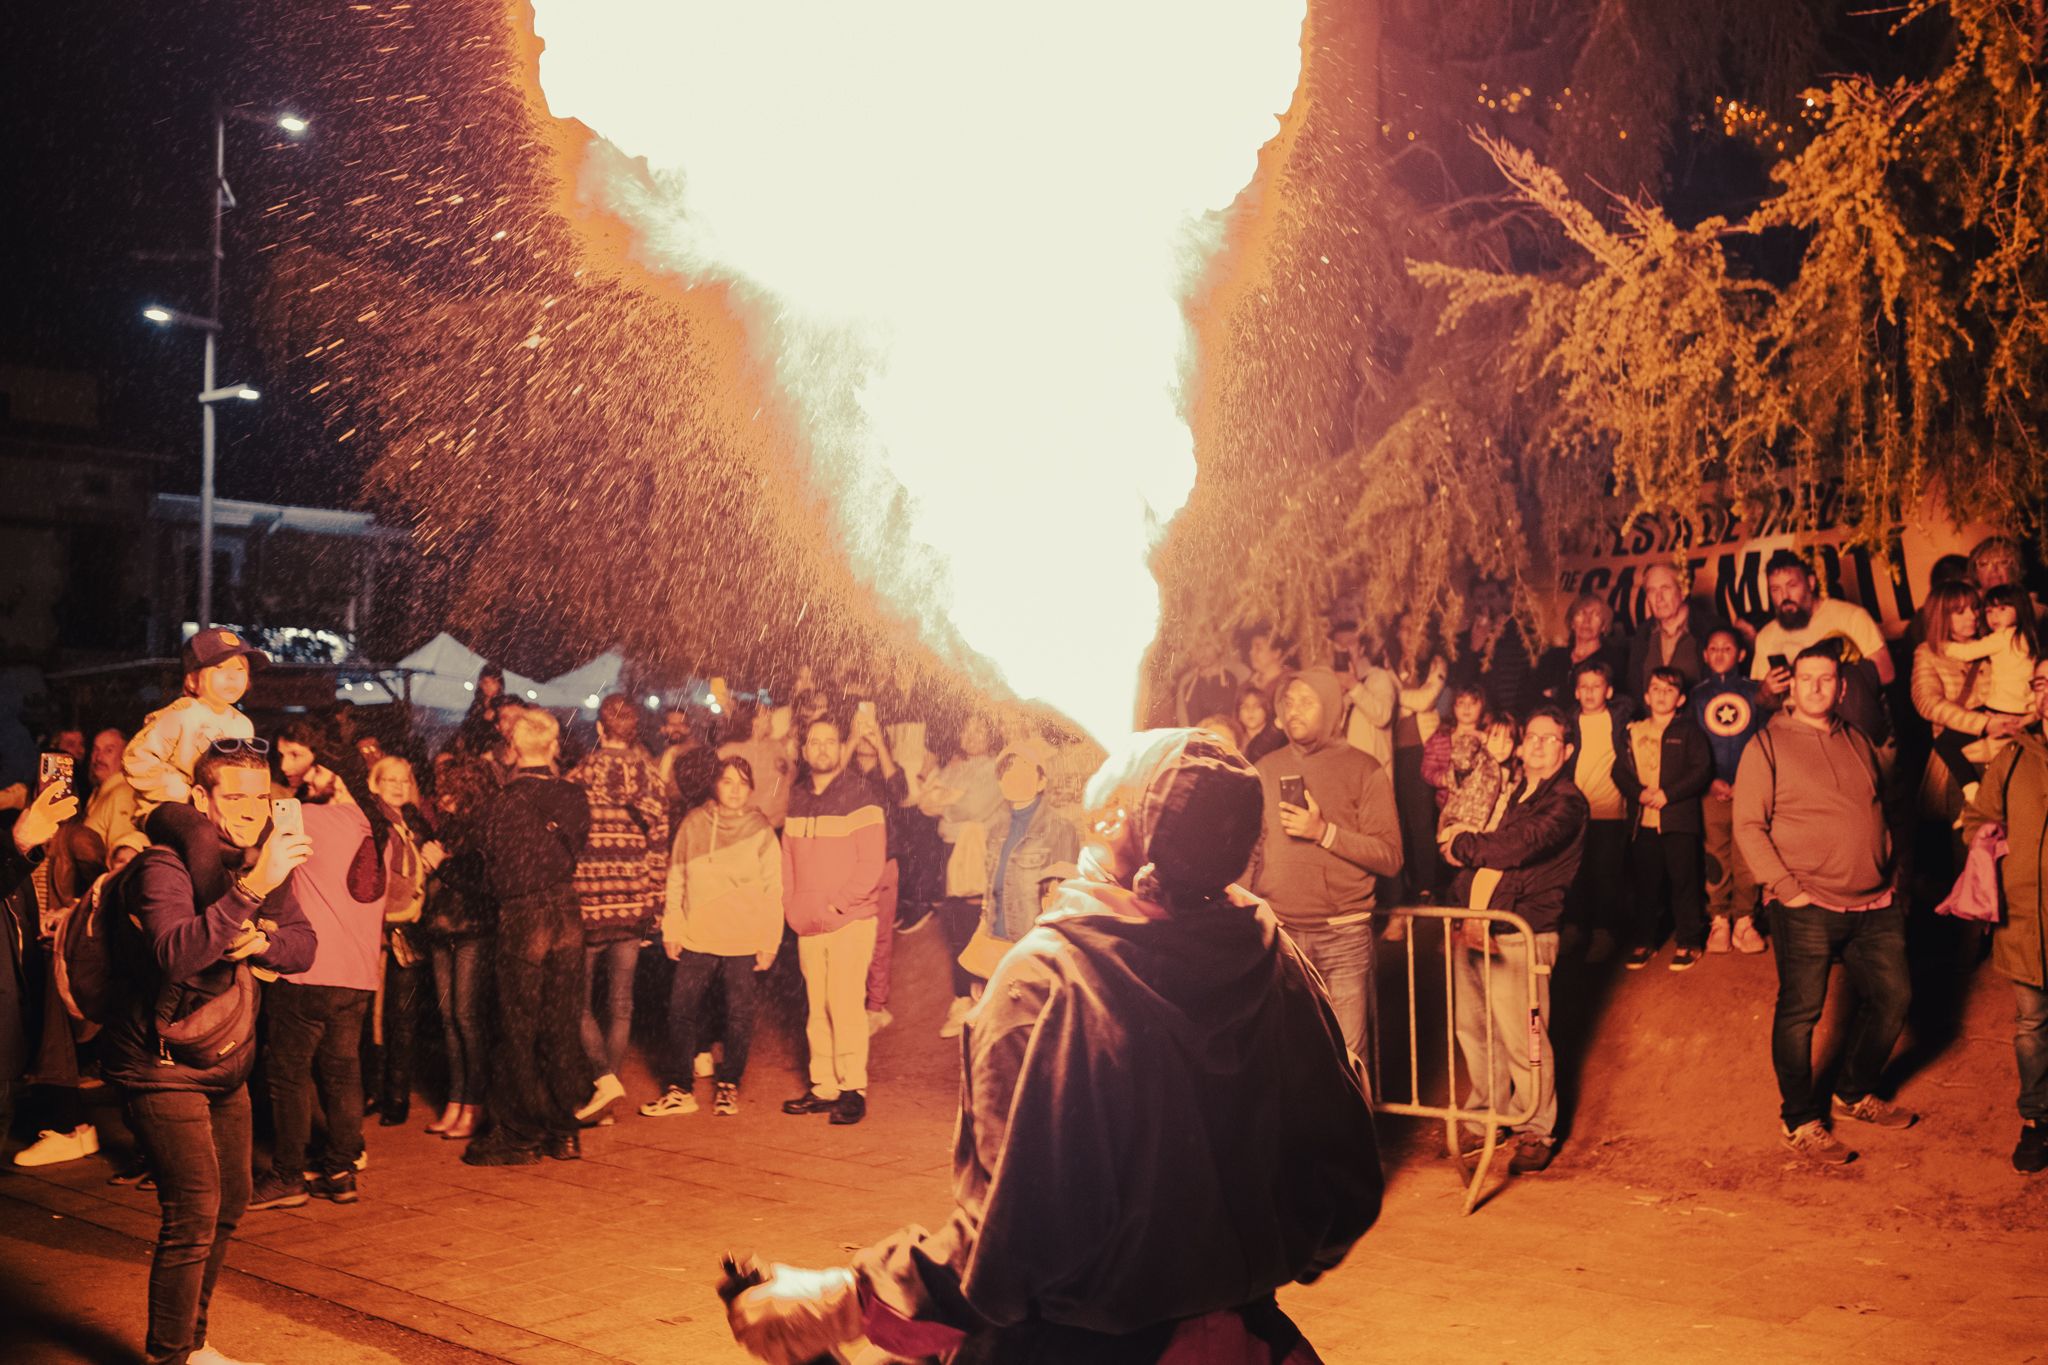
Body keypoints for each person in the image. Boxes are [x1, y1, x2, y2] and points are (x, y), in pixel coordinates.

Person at [726, 729, 1382, 1365]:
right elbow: (1345, 1189)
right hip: (1248, 1339)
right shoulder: (1270, 956)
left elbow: (1011, 1247)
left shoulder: (1047, 979)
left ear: (1113, 821)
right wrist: (1222, 1264)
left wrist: (845, 1300)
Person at [102, 741, 315, 1365]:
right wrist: (251, 892)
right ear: (200, 798)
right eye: (234, 796)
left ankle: (191, 1344)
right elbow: (176, 952)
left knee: (232, 1202)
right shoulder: (162, 866)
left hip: (225, 1057)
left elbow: (304, 946)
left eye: (260, 795)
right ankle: (169, 1354)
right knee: (193, 1210)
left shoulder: (257, 860)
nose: (251, 810)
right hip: (158, 1062)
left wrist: (260, 943)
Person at [1734, 644, 1915, 1166]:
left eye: (1826, 678)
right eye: (1806, 677)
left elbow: (1883, 807)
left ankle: (1855, 1091)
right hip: (1807, 902)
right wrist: (1786, 888)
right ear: (1791, 687)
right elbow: (1748, 825)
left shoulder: (1856, 737)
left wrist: (1891, 873)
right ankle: (1799, 1119)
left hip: (1874, 902)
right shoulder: (1766, 745)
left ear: (1841, 687)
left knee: (1894, 998)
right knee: (1801, 1013)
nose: (1815, 686)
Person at [1440, 705, 1589, 1173]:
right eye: (1534, 737)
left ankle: (1536, 1127)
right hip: (1478, 925)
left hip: (1522, 932)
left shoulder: (1566, 801)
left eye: (1552, 739)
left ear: (1566, 751)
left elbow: (1514, 848)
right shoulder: (1508, 793)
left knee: (1524, 1036)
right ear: (1521, 746)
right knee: (1477, 1029)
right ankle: (1489, 1115)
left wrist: (1459, 844)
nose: (1540, 745)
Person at [249, 754, 384, 1211]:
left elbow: (255, 840)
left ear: (337, 775)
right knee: (343, 1071)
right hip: (359, 973)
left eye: (314, 769)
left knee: (288, 1074)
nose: (301, 776)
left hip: (308, 968)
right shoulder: (374, 821)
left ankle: (288, 1174)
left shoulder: (304, 817)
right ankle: (341, 1171)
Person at [1251, 669, 1404, 1062]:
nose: (1294, 709)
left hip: (1343, 937)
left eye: (1307, 701)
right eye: (1289, 701)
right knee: (1288, 1057)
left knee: (1348, 1059)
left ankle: (1352, 1126)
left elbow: (1390, 857)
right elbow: (1253, 849)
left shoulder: (1364, 769)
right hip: (1282, 937)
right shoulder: (1265, 768)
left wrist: (1324, 832)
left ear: (1332, 707)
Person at [465, 708, 592, 1166]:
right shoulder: (575, 797)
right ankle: (564, 1130)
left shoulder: (501, 803)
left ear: (513, 750)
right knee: (560, 1024)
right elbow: (575, 847)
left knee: (517, 1026)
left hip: (523, 916)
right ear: (554, 747)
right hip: (567, 912)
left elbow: (490, 870)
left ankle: (518, 1132)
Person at [646, 756, 782, 1118]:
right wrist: (671, 928)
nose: (735, 790)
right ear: (714, 785)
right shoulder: (693, 824)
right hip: (696, 934)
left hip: (743, 937)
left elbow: (773, 891)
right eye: (727, 781)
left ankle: (729, 1085)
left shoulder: (761, 830)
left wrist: (769, 940)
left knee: (739, 1014)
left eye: (742, 782)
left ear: (751, 788)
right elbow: (675, 878)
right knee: (680, 1010)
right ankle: (679, 1089)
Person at [1960, 656, 2048, 1173]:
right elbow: (1977, 818)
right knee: (2032, 1025)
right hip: (2025, 917)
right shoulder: (2014, 756)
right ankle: (2038, 1122)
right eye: (2041, 683)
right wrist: (1987, 836)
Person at [564, 696, 669, 1125]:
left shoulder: (579, 776)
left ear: (600, 730)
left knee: (577, 1000)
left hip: (588, 903)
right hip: (632, 903)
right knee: (621, 1004)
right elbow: (659, 848)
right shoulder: (653, 778)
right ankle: (609, 1093)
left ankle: (602, 1081)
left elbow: (567, 843)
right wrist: (654, 905)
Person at [781, 715, 887, 1126]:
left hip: (850, 920)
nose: (822, 748)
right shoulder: (797, 796)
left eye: (830, 741)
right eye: (814, 742)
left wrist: (839, 907)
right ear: (805, 751)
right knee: (816, 1006)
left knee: (844, 1005)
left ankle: (852, 1089)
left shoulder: (861, 794)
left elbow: (871, 863)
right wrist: (792, 906)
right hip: (808, 923)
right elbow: (787, 858)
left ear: (841, 748)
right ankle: (824, 1085)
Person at [419, 753, 497, 1140]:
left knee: (467, 1018)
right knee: (449, 1019)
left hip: (472, 931)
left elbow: (482, 883)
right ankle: (456, 1099)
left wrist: (441, 865)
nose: (439, 796)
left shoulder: (483, 828)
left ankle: (475, 1103)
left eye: (447, 790)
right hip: (442, 929)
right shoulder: (448, 827)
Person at [365, 756, 442, 1127]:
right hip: (379, 930)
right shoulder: (374, 823)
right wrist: (425, 867)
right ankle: (380, 1091)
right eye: (389, 780)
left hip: (406, 931)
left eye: (403, 779)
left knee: (402, 1016)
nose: (397, 786)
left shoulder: (414, 822)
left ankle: (394, 1095)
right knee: (378, 1016)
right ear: (374, 784)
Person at [1751, 550, 1895, 744]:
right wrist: (1767, 690)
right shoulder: (1766, 636)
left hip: (1847, 727)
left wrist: (1836, 678)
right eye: (1775, 589)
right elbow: (1761, 702)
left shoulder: (1851, 616)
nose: (1784, 596)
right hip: (1796, 735)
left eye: (1792, 585)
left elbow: (1887, 674)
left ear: (1811, 583)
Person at [123, 629, 268, 821]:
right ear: (192, 680)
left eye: (240, 669)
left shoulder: (243, 725)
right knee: (200, 833)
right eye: (220, 668)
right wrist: (182, 792)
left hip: (219, 810)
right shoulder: (181, 714)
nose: (232, 677)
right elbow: (136, 759)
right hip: (169, 807)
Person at [921, 713, 1005, 1038]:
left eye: (979, 728)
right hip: (949, 852)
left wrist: (948, 798)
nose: (971, 734)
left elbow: (976, 807)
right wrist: (950, 799)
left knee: (976, 926)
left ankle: (982, 1001)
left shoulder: (997, 767)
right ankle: (961, 1000)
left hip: (977, 854)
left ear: (990, 735)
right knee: (955, 927)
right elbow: (925, 803)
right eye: (966, 728)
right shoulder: (954, 767)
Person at [1625, 668, 1715, 969]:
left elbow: (1701, 770)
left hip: (1679, 821)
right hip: (1644, 822)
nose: (1662, 695)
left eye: (1669, 690)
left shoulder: (1689, 732)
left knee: (1684, 882)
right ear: (1647, 696)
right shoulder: (1632, 731)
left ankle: (1689, 941)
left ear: (1681, 698)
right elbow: (1619, 770)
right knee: (1646, 884)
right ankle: (1644, 941)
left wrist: (1669, 794)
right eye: (1656, 689)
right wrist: (1637, 792)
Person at [1691, 627, 1768, 953]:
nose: (1720, 653)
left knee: (1747, 852)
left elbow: (1766, 737)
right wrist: (1709, 779)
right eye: (1713, 647)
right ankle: (1719, 918)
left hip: (1749, 787)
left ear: (1741, 654)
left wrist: (1748, 781)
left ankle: (1744, 920)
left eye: (1728, 648)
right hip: (1712, 788)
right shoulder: (1696, 695)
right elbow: (1693, 745)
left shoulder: (1757, 691)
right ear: (1705, 655)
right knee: (1716, 852)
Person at [1565, 660, 1637, 964]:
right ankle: (1574, 928)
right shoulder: (1569, 723)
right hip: (1575, 814)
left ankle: (1604, 932)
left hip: (1610, 811)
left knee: (1606, 876)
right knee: (1575, 873)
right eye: (1584, 687)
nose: (1590, 692)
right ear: (1576, 692)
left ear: (1608, 690)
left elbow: (1631, 702)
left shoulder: (1619, 717)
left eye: (1596, 686)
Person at [981, 740, 1081, 950]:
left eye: (1023, 772)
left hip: (1032, 947)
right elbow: (991, 895)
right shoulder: (996, 830)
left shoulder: (1060, 829)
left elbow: (1063, 903)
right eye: (1007, 774)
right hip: (994, 943)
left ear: (1041, 782)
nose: (1013, 780)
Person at [1389, 610, 1449, 904]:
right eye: (1404, 629)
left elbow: (1425, 699)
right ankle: (1405, 884)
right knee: (1398, 820)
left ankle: (1427, 886)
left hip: (1421, 749)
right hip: (1391, 751)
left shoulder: (1435, 663)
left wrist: (1395, 692)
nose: (1410, 635)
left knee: (1421, 820)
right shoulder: (1390, 663)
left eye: (1417, 629)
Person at [1943, 583, 2041, 729]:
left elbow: (1966, 653)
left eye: (2002, 609)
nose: (1994, 616)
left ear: (2020, 609)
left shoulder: (2002, 637)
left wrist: (1943, 645)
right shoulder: (2028, 636)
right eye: (1989, 611)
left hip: (2003, 706)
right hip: (2027, 707)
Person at [1625, 562, 1716, 699]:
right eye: (1652, 591)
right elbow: (1634, 689)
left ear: (1683, 591)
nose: (1659, 598)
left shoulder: (1710, 629)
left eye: (1665, 588)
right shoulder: (1643, 634)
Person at [1532, 592, 1626, 705]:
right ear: (1572, 622)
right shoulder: (1552, 657)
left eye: (1595, 615)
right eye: (1580, 614)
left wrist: (1558, 693)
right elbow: (1533, 693)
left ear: (1604, 626)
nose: (1587, 621)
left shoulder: (1613, 661)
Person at [719, 702, 795, 830]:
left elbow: (791, 777)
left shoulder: (776, 747)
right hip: (746, 828)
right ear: (754, 722)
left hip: (780, 827)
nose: (770, 714)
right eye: (765, 712)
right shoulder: (729, 751)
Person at [82, 726, 140, 855]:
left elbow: (121, 856)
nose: (98, 758)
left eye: (108, 750)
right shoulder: (99, 792)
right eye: (96, 750)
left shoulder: (123, 794)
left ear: (124, 755)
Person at [1173, 633, 1243, 729]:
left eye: (1207, 644)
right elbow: (1183, 721)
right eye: (1196, 646)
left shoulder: (1235, 676)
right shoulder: (1186, 682)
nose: (1201, 651)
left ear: (1218, 646)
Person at [1235, 683, 1286, 764]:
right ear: (1238, 715)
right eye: (1244, 707)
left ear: (1266, 710)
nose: (1250, 711)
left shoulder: (1280, 739)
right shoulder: (1236, 744)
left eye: (1257, 706)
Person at [1242, 625, 1289, 710]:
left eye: (1258, 648)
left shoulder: (1290, 682)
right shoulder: (1246, 686)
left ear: (1276, 653)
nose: (1251, 653)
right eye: (1251, 648)